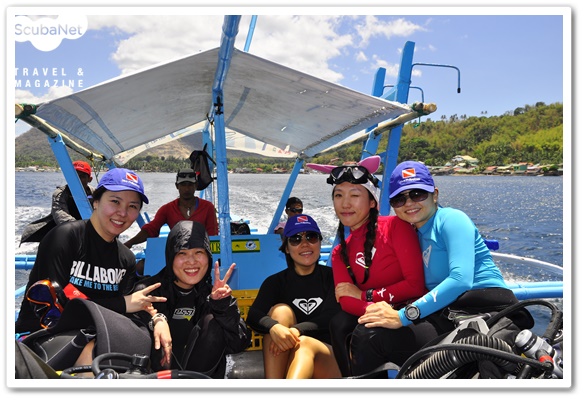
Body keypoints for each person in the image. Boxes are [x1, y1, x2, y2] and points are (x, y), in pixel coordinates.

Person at [349, 160, 534, 376]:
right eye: (399, 199)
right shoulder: (411, 234)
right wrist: (361, 293)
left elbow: (460, 279)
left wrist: (403, 316)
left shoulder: (451, 219)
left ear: (434, 194)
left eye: (417, 194)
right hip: (448, 313)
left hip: (484, 310)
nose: (409, 203)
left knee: (372, 337)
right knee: (365, 330)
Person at [307, 155, 426, 377]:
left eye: (354, 195)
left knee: (366, 334)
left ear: (373, 202)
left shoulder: (396, 227)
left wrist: (366, 296)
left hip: (411, 315)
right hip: (377, 313)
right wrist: (375, 310)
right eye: (338, 195)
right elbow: (345, 299)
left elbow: (415, 285)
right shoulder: (340, 252)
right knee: (339, 324)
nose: (345, 204)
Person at [16, 168, 166, 335]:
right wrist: (122, 304)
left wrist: (158, 319)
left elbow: (128, 309)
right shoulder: (64, 237)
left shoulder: (126, 258)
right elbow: (55, 306)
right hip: (41, 334)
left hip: (95, 334)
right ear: (95, 202)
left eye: (132, 206)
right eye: (115, 202)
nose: (123, 213)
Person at [133, 220, 251, 378]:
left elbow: (239, 343)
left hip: (199, 381)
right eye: (182, 253)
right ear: (171, 257)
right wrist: (157, 320)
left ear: (208, 257)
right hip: (156, 380)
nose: (192, 261)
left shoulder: (213, 294)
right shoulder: (148, 291)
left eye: (199, 252)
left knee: (214, 321)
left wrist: (222, 306)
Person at [246, 214, 342, 379]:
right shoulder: (275, 282)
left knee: (304, 344)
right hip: (289, 358)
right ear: (286, 248)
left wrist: (296, 330)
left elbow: (331, 316)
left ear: (320, 242)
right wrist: (274, 328)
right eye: (296, 239)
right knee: (280, 312)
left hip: (329, 361)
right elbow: (254, 315)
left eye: (311, 237)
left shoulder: (334, 278)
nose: (305, 244)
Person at [124, 168, 218, 249]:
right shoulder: (167, 209)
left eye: (190, 184)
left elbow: (213, 235)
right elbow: (151, 230)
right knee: (141, 264)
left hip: (201, 253)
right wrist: (130, 243)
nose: (186, 189)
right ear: (177, 186)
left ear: (196, 185)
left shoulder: (208, 207)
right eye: (183, 184)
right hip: (177, 253)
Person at [20, 160, 95, 244]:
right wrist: (83, 229)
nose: (77, 180)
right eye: (74, 176)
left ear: (89, 179)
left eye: (82, 176)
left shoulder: (95, 193)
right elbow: (61, 215)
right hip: (66, 230)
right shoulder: (60, 194)